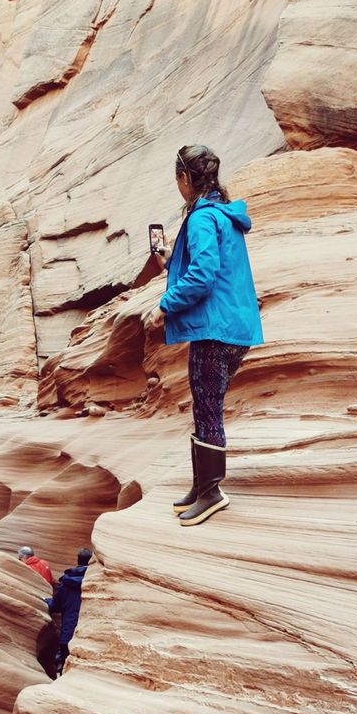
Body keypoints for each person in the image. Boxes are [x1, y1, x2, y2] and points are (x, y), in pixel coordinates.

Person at [150, 143, 263, 527]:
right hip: (235, 326)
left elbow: (202, 275)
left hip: (215, 328)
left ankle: (212, 493)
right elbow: (212, 266)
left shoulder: (201, 218)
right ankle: (202, 486)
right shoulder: (223, 214)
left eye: (177, 179)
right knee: (206, 404)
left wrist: (164, 305)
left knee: (208, 406)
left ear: (185, 178)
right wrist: (171, 260)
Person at [46, 547, 92, 674]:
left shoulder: (66, 582)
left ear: (78, 560)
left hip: (68, 633)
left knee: (67, 670)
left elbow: (55, 606)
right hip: (89, 634)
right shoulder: (97, 582)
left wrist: (48, 601)